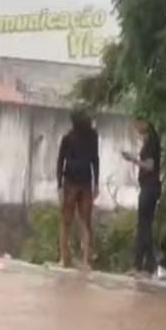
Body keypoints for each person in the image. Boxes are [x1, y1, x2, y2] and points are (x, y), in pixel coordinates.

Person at [57, 107, 100, 268]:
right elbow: (95, 160)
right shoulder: (87, 137)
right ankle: (81, 259)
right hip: (81, 182)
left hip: (74, 182)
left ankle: (68, 258)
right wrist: (96, 183)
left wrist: (59, 184)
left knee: (69, 221)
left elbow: (60, 161)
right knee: (82, 222)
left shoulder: (71, 137)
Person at [122, 117, 162, 278]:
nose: (136, 128)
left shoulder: (151, 142)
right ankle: (145, 265)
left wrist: (133, 160)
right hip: (149, 186)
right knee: (145, 226)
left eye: (137, 123)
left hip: (150, 187)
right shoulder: (149, 141)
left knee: (144, 226)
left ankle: (144, 265)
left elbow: (150, 166)